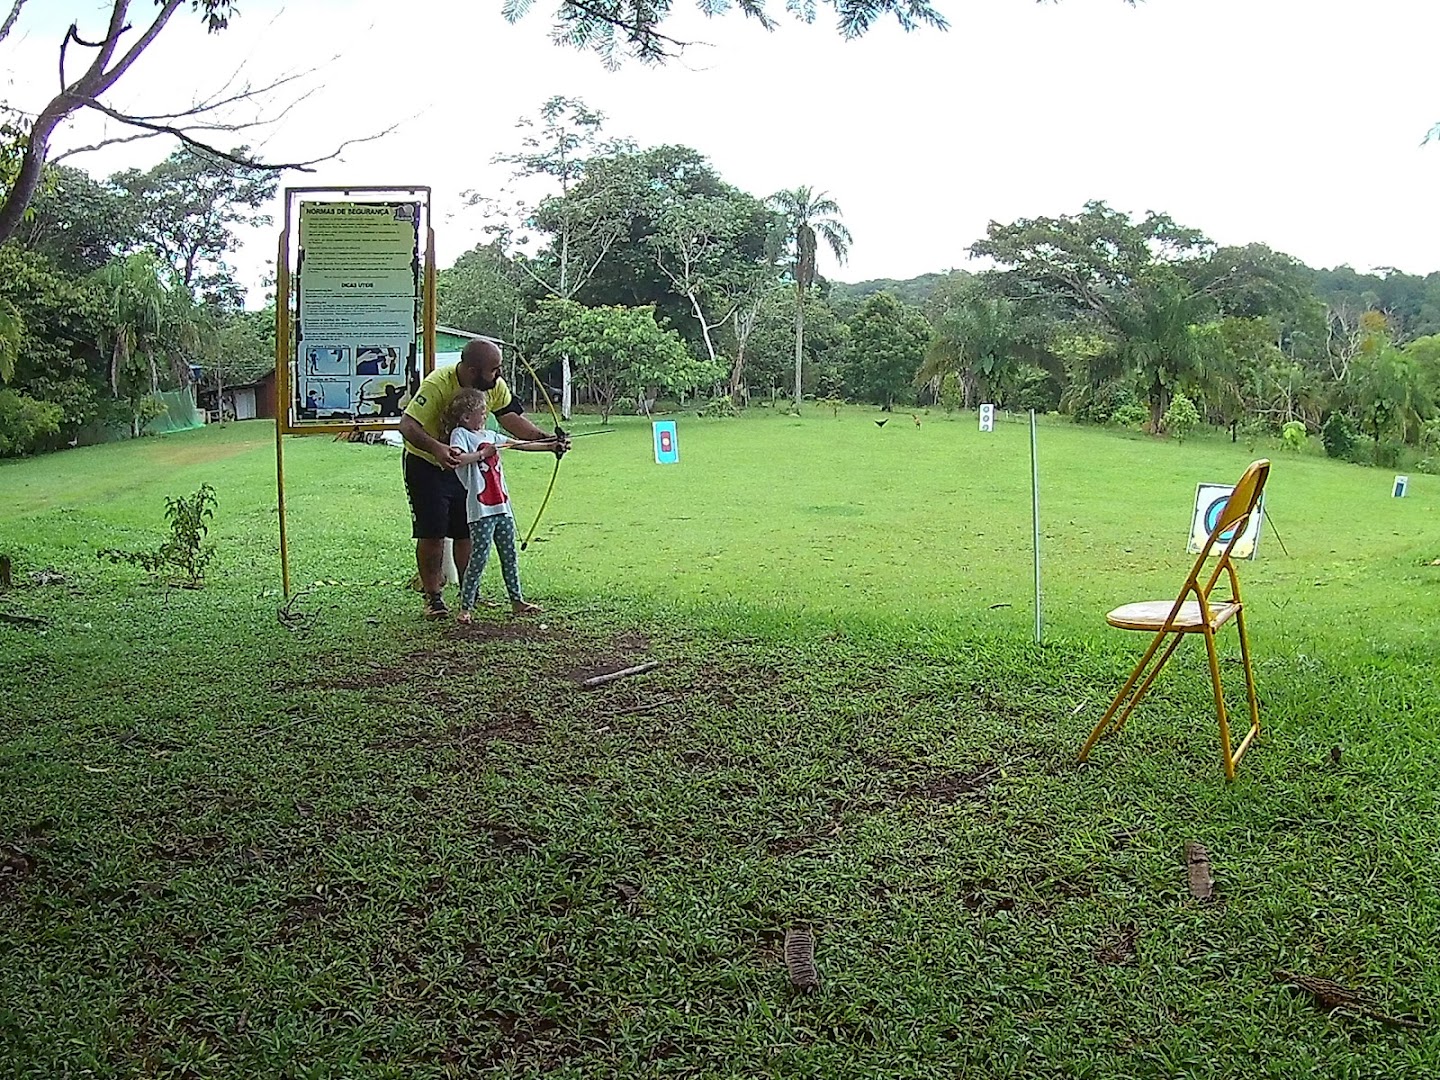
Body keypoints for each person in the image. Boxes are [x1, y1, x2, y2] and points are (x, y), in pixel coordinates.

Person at [397, 338, 569, 618]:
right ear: (473, 370)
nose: (498, 375)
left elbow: (511, 419)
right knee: (433, 532)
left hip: (466, 471)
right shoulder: (438, 383)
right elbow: (407, 425)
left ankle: (469, 593)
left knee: (466, 530)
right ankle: (433, 598)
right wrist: (438, 448)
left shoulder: (494, 387)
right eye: (494, 369)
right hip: (426, 462)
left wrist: (549, 440)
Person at [443, 389, 551, 622]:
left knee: (509, 555)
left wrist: (551, 446)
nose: (484, 416)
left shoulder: (491, 435)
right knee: (479, 558)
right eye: (480, 413)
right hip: (480, 510)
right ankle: (466, 606)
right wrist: (483, 454)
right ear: (465, 417)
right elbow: (457, 459)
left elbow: (519, 445)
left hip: (501, 506)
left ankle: (517, 601)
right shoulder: (460, 435)